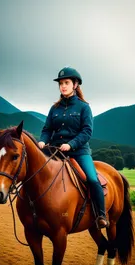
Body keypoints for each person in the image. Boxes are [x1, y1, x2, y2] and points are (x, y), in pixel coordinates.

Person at [38, 66, 109, 229]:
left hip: (79, 152)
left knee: (92, 179)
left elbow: (87, 131)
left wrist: (70, 144)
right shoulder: (54, 108)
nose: (63, 86)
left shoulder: (84, 107)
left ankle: (101, 215)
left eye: (67, 82)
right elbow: (47, 129)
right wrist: (42, 141)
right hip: (55, 151)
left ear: (75, 84)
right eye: (61, 83)